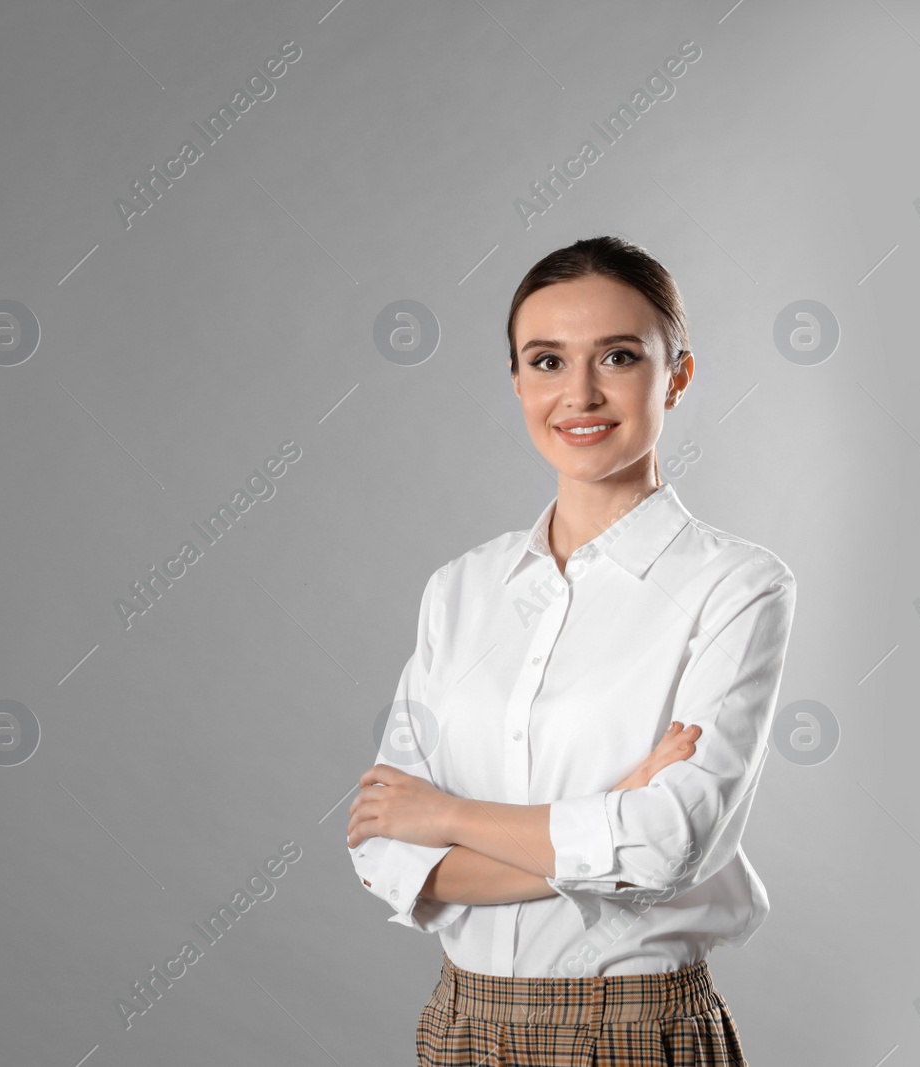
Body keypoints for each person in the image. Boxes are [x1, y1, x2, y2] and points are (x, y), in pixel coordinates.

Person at [345, 235, 797, 1066]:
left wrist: (445, 816)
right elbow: (382, 845)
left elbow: (667, 847)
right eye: (546, 361)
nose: (579, 393)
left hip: (630, 1027)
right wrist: (606, 814)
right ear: (517, 379)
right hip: (460, 1027)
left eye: (618, 356)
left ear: (678, 376)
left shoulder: (737, 586)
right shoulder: (461, 588)